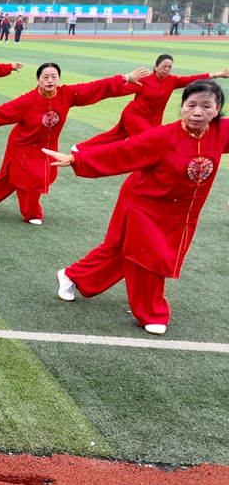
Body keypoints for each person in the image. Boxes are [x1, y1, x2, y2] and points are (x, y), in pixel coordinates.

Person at [46, 80, 226, 336]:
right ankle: (152, 313)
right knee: (148, 256)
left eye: (206, 106)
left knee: (125, 251)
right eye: (191, 105)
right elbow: (123, 150)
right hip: (144, 203)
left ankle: (73, 276)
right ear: (182, 107)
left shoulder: (221, 132)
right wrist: (77, 159)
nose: (197, 112)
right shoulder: (163, 136)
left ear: (217, 109)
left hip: (180, 212)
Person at [0, 63, 149, 224]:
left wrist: (125, 78)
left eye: (54, 77)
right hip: (24, 145)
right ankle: (32, 214)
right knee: (32, 178)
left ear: (59, 79)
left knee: (14, 177)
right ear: (37, 80)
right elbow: (2, 112)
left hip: (48, 146)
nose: (50, 80)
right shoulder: (28, 100)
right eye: (45, 77)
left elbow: (93, 88)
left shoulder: (66, 94)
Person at [74, 55, 228, 151]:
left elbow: (191, 79)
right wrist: (123, 79)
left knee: (114, 135)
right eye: (164, 66)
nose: (167, 69)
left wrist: (218, 74)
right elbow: (120, 91)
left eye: (169, 67)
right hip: (134, 116)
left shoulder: (172, 81)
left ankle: (80, 148)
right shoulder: (145, 80)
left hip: (153, 120)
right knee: (149, 141)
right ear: (155, 67)